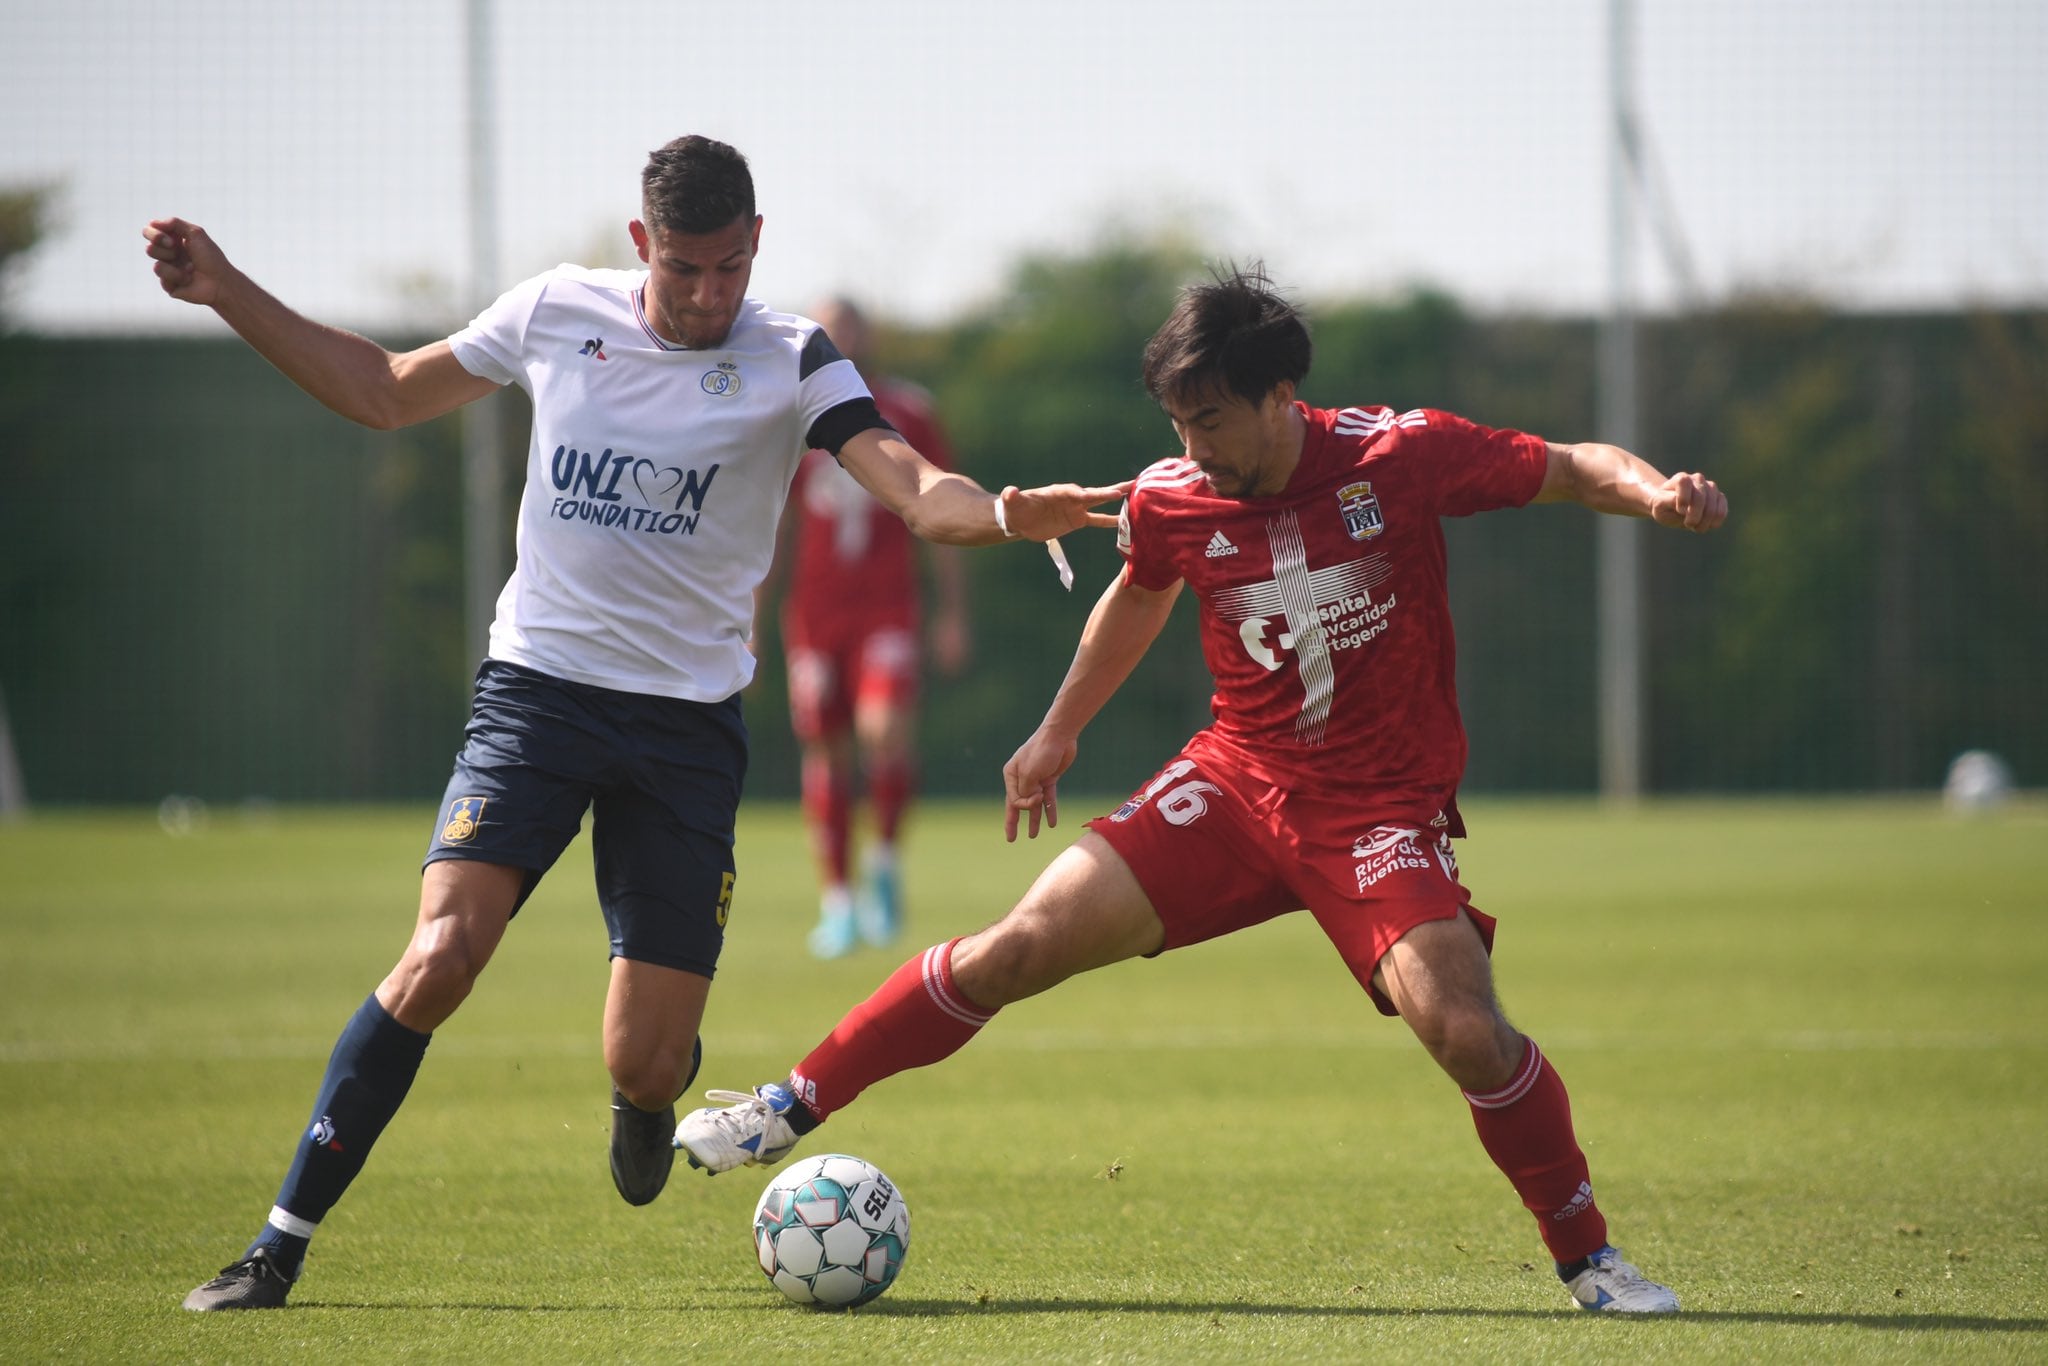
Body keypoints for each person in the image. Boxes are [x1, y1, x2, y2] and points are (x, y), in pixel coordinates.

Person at [146, 134, 1126, 1312]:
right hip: (538, 697)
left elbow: (915, 490)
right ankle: (276, 1244)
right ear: (637, 249)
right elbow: (382, 392)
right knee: (440, 954)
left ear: (755, 244)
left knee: (644, 1057)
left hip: (684, 732)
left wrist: (1011, 513)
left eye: (728, 268)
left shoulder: (793, 357)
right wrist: (226, 290)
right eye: (683, 273)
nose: (710, 297)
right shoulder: (557, 311)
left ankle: (646, 1093)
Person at [675, 265, 1729, 1315]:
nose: (1192, 450)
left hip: (1373, 809)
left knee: (1461, 1027)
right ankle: (789, 1101)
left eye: (1211, 421)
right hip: (1232, 784)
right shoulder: (1175, 497)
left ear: (1280, 396)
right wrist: (1056, 730)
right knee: (1019, 943)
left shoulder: (1396, 457)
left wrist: (1654, 492)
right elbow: (1137, 599)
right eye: (1177, 424)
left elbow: (1570, 465)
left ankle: (1589, 1258)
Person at [767, 297, 969, 958]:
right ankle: (839, 901)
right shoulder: (786, 415)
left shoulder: (908, 411)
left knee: (882, 731)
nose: (843, 338)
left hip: (887, 607)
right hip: (817, 614)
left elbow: (940, 508)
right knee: (824, 747)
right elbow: (772, 526)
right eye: (831, 328)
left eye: (852, 326)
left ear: (869, 334)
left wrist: (952, 612)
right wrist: (747, 617)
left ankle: (883, 861)